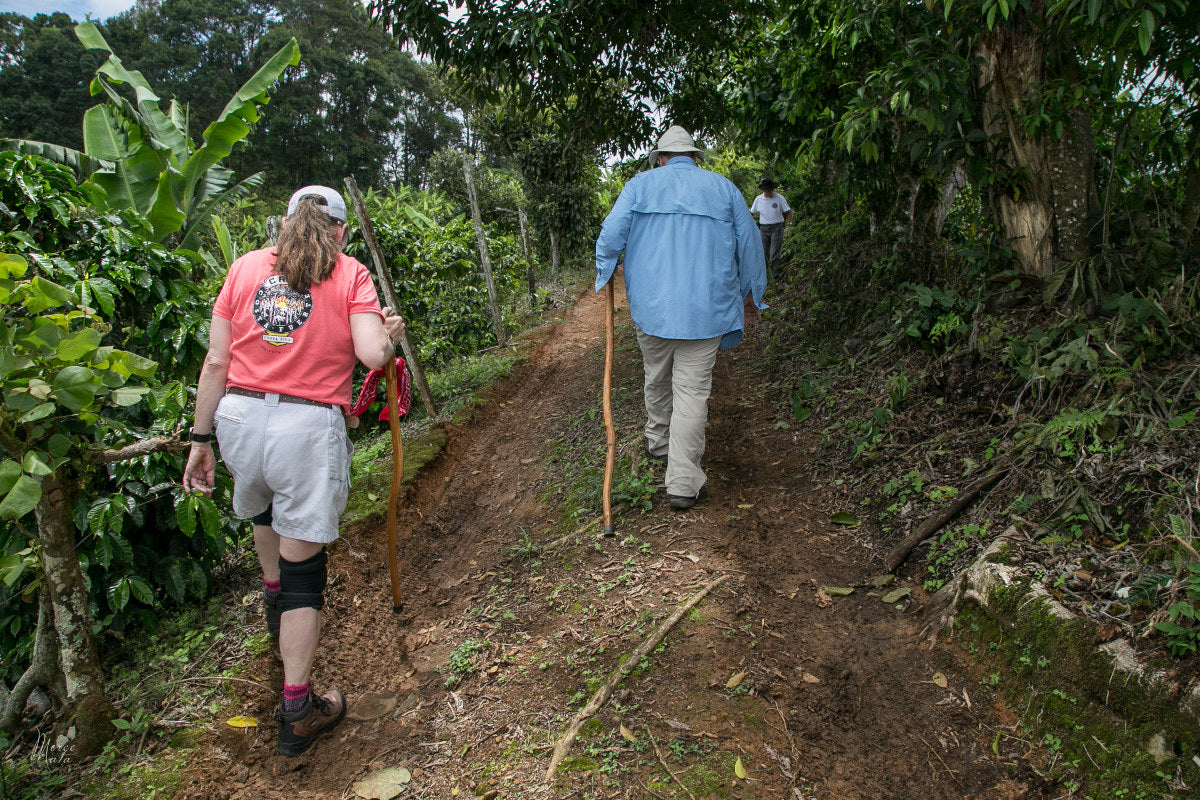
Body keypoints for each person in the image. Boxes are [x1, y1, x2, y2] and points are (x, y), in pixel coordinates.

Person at [182, 185, 405, 756]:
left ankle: (272, 596)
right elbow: (373, 356)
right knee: (306, 563)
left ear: (286, 223)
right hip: (305, 428)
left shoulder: (244, 267)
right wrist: (389, 335)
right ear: (337, 229)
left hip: (237, 418)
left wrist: (200, 438)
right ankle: (298, 708)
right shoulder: (350, 273)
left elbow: (216, 360)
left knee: (262, 505)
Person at [595, 126, 767, 511]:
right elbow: (751, 243)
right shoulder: (723, 189)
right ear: (693, 157)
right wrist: (752, 297)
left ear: (660, 157)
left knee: (656, 375)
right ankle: (684, 484)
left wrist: (604, 269)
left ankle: (658, 443)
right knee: (691, 393)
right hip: (706, 312)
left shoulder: (640, 185)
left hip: (652, 309)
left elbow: (609, 235)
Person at [749, 178, 792, 279]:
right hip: (763, 228)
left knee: (774, 253)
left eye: (770, 190)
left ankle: (775, 274)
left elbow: (789, 212)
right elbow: (751, 212)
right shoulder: (759, 199)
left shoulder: (779, 198)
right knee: (763, 252)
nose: (768, 193)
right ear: (763, 190)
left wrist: (788, 227)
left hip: (777, 227)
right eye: (766, 191)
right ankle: (764, 275)